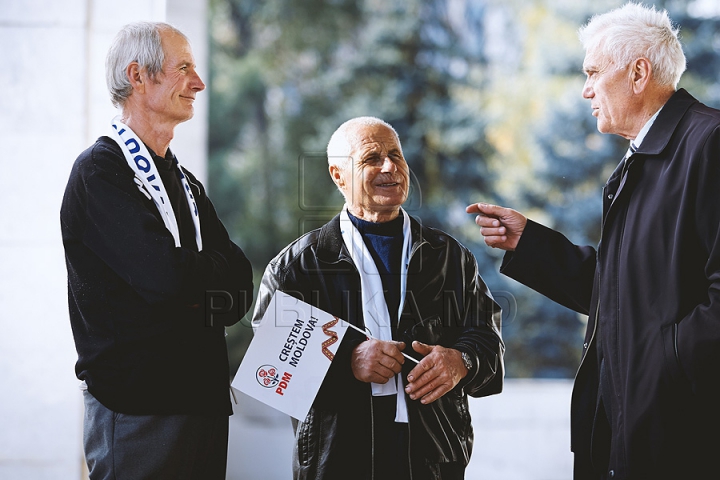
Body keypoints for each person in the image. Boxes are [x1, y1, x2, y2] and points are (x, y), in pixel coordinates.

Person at [467, 3, 720, 479]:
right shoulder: (642, 160)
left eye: (594, 72)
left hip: (678, 434)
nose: (586, 90)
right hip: (628, 431)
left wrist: (663, 365)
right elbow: (623, 295)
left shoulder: (710, 144)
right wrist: (531, 244)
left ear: (639, 73)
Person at [252, 116, 504, 480]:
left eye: (396, 155)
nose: (391, 167)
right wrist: (347, 359)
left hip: (433, 459)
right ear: (338, 175)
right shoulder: (297, 265)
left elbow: (488, 343)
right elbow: (271, 365)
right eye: (372, 158)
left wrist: (461, 361)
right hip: (336, 460)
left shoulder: (450, 256)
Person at [60, 22, 253, 479]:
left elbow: (240, 286)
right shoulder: (100, 173)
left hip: (203, 404)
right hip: (137, 411)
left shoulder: (185, 183)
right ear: (138, 76)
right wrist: (198, 280)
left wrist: (188, 284)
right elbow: (165, 278)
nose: (199, 83)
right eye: (183, 68)